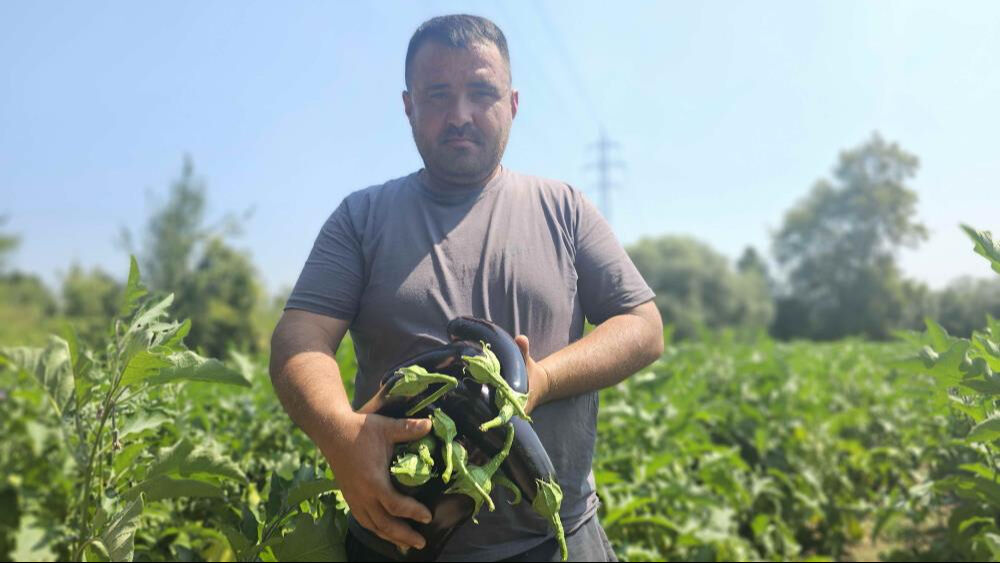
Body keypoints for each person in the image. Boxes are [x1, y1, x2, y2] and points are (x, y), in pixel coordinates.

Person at [269, 14, 663, 562]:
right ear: (408, 106)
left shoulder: (565, 208)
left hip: (556, 540)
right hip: (396, 542)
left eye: (481, 93)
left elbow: (643, 326)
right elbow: (299, 337)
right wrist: (340, 433)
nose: (459, 115)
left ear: (513, 103)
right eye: (437, 95)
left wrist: (544, 378)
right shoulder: (361, 218)